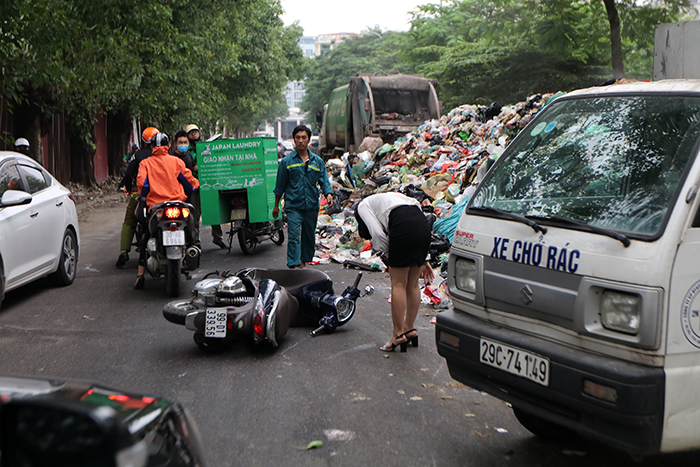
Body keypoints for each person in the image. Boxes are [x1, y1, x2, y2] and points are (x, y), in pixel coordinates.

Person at [355, 192, 434, 352]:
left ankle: (398, 334)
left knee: (398, 284)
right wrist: (425, 258)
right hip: (422, 225)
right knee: (412, 285)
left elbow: (377, 234)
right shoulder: (392, 198)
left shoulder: (362, 206)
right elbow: (416, 220)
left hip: (402, 225)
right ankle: (409, 328)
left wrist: (388, 256)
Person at [134, 132, 199, 289]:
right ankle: (194, 248)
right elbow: (190, 183)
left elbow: (143, 186)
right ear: (169, 146)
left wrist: (143, 201)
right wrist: (194, 186)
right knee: (191, 231)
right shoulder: (176, 162)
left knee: (146, 236)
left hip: (157, 208)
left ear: (152, 147)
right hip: (177, 205)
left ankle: (140, 275)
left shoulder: (145, 163)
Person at [273, 125, 333, 269]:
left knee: (309, 236)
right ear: (294, 140)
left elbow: (324, 180)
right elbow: (279, 186)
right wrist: (276, 206)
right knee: (293, 235)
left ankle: (303, 261)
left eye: (303, 138)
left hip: (311, 205)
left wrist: (328, 194)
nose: (300, 141)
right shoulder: (286, 162)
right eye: (298, 138)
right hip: (293, 206)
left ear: (308, 140)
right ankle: (294, 264)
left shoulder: (317, 162)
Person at [115, 127, 159, 268]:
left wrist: (128, 188)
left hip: (141, 195)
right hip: (163, 195)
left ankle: (124, 252)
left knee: (129, 221)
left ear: (144, 141)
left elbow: (128, 174)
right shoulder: (168, 156)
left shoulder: (139, 156)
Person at [185, 124, 225, 249]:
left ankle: (218, 238)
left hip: (210, 184)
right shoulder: (187, 152)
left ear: (199, 134)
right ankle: (196, 241)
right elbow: (193, 168)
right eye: (191, 132)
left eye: (195, 132)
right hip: (195, 186)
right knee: (195, 215)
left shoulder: (206, 147)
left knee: (213, 212)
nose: (194, 134)